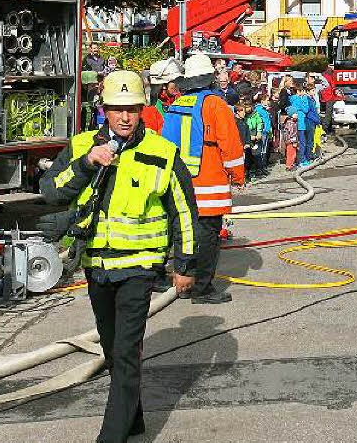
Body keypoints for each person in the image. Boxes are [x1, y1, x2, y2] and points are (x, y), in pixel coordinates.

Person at [38, 70, 198, 442]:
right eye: (117, 110)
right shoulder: (82, 147)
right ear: (104, 111)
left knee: (126, 352)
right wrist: (86, 164)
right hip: (97, 267)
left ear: (143, 110)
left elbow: (185, 213)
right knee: (112, 350)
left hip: (139, 268)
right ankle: (134, 419)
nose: (125, 118)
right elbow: (51, 193)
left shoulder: (161, 152)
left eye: (132, 110)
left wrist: (185, 265)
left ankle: (111, 436)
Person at [163, 52, 245, 304]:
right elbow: (230, 146)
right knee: (208, 237)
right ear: (209, 78)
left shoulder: (176, 105)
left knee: (185, 234)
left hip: (179, 183)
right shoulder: (216, 104)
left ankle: (184, 279)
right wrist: (238, 174)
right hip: (208, 183)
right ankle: (202, 289)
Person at [286, 81, 312, 167]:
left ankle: (299, 159)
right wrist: (304, 99)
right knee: (302, 143)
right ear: (298, 91)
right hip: (301, 124)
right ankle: (301, 160)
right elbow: (306, 109)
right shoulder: (299, 99)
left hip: (298, 123)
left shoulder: (292, 99)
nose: (304, 93)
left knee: (299, 143)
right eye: (302, 91)